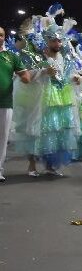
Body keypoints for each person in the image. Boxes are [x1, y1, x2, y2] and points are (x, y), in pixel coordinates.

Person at [13, 6, 81, 176]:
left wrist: (75, 78)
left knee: (55, 131)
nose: (57, 44)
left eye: (59, 41)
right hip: (41, 95)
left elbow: (66, 74)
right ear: (47, 40)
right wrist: (43, 71)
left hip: (60, 98)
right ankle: (32, 165)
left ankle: (50, 166)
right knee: (36, 130)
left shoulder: (62, 57)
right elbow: (26, 75)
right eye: (54, 41)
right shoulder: (38, 56)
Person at [0, 27, 31, 182]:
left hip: (4, 103)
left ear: (4, 37)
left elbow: (25, 76)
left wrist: (26, 76)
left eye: (1, 35)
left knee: (2, 138)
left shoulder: (11, 57)